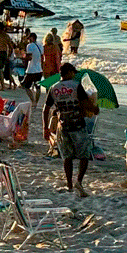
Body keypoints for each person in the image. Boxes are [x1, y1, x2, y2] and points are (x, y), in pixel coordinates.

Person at [45, 63, 100, 197]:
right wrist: (94, 108)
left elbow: (46, 109)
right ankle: (79, 181)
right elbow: (84, 103)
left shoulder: (53, 88)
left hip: (63, 126)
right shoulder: (76, 86)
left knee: (67, 157)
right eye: (73, 72)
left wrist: (45, 127)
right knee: (84, 155)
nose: (75, 74)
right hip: (77, 125)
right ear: (69, 72)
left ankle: (69, 184)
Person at [22, 31, 46, 102]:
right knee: (38, 87)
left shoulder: (29, 46)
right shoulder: (41, 45)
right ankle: (36, 102)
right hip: (39, 69)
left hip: (31, 70)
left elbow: (29, 58)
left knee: (26, 87)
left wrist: (23, 57)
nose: (29, 40)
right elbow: (42, 58)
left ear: (32, 38)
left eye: (29, 38)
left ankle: (33, 101)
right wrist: (42, 69)